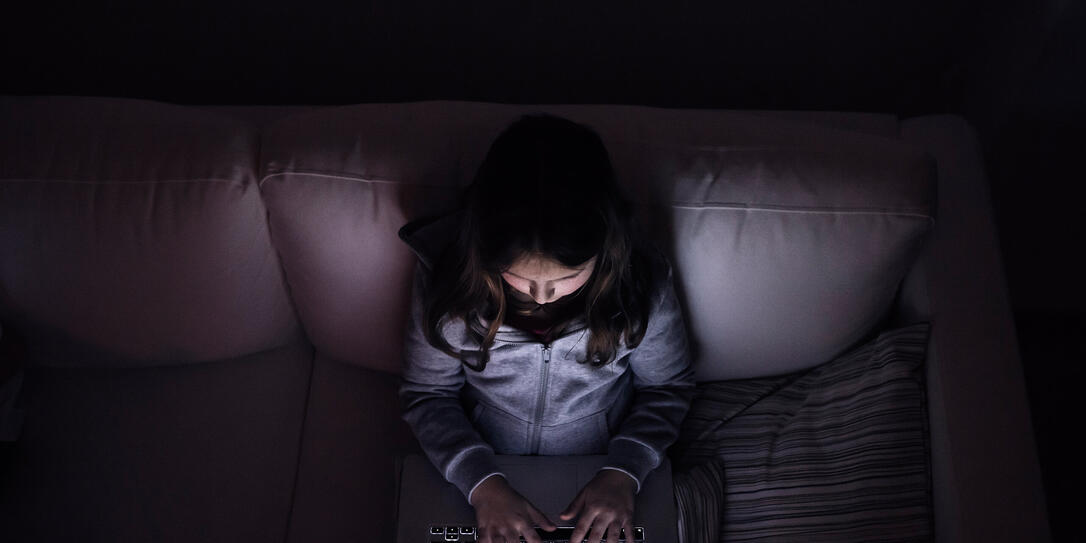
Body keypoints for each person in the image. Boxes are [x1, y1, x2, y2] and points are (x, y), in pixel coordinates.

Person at [397, 113, 696, 543]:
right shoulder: (448, 282)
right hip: (481, 477)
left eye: (565, 278)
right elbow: (427, 394)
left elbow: (667, 389)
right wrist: (482, 484)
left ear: (603, 251)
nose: (541, 296)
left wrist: (624, 471)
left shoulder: (642, 284)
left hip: (604, 473)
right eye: (519, 277)